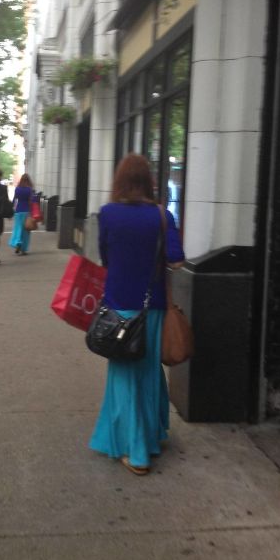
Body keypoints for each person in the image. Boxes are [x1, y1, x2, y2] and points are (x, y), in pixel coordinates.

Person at [89, 153, 185, 476]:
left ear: (119, 181)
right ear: (149, 181)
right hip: (152, 304)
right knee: (147, 370)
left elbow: (105, 256)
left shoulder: (108, 214)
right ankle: (153, 435)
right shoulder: (161, 216)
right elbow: (176, 259)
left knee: (124, 374)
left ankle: (137, 451)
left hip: (119, 304)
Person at [8, 173, 34, 255]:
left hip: (18, 211)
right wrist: (31, 212)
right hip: (26, 211)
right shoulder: (29, 190)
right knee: (26, 231)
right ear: (28, 180)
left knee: (18, 228)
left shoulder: (17, 189)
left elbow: (14, 200)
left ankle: (17, 242)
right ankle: (23, 249)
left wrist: (11, 209)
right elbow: (30, 202)